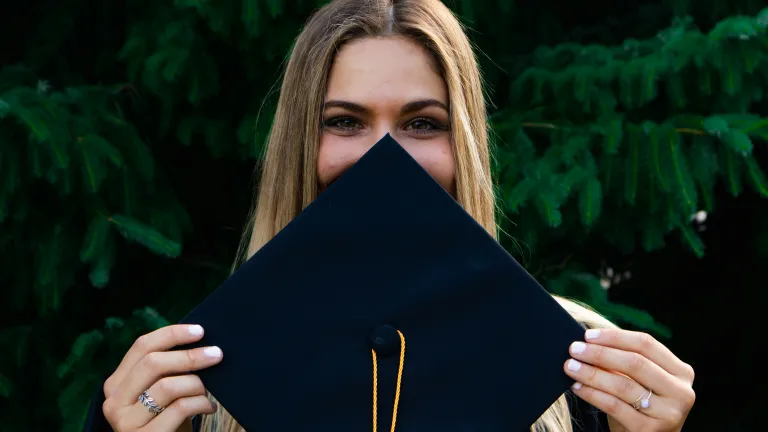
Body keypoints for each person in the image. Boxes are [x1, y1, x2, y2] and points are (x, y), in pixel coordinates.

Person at [91, 0, 696, 431]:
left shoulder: (580, 377)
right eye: (345, 121)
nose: (385, 157)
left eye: (422, 123)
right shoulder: (185, 389)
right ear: (302, 143)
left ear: (464, 147)